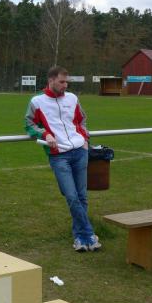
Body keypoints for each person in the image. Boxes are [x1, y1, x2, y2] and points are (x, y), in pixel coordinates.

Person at [25, 66, 101, 252]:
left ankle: (80, 238)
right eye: (61, 82)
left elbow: (82, 119)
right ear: (51, 80)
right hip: (59, 155)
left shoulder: (72, 98)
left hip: (80, 151)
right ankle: (89, 234)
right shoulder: (37, 101)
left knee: (82, 196)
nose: (65, 85)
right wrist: (45, 134)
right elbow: (29, 124)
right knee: (71, 196)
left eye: (67, 82)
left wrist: (85, 139)